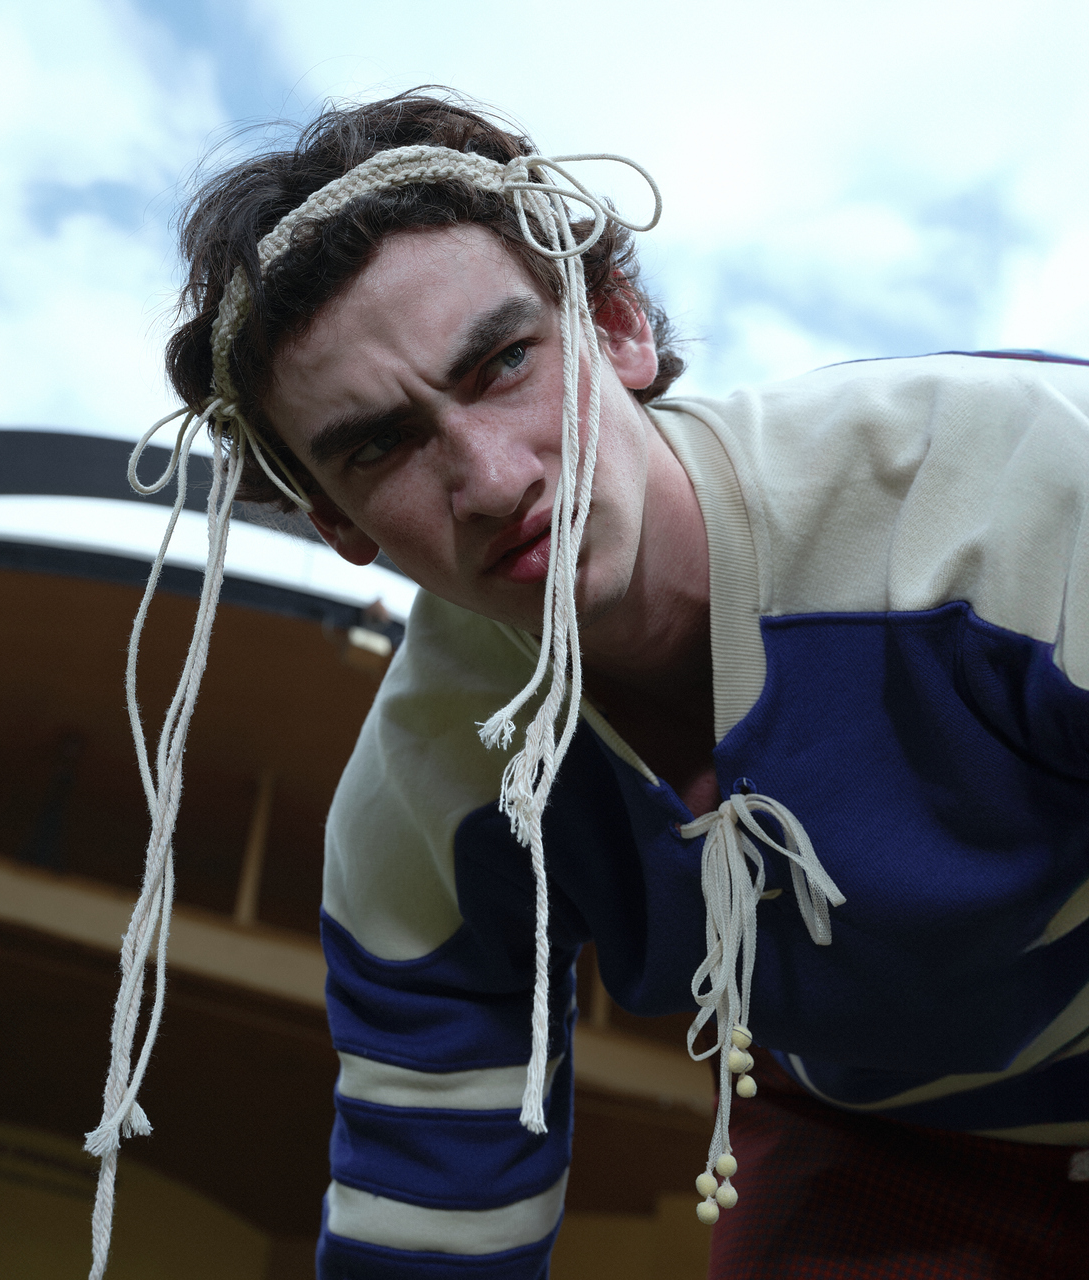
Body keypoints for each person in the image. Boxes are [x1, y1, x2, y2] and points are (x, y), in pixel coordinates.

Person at [86, 90, 1089, 1279]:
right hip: (891, 1139)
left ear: (615, 326)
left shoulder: (1010, 487)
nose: (490, 478)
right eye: (379, 444)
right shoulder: (424, 801)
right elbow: (426, 1221)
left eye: (503, 362)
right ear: (338, 522)